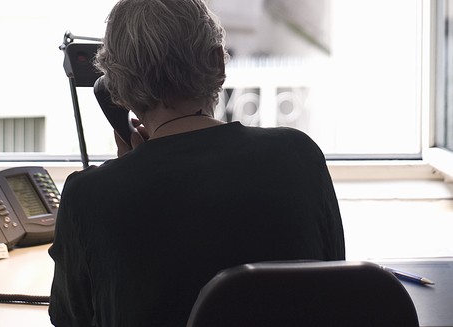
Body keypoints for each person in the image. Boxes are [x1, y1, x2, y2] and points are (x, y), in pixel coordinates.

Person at [48, 0, 345, 326]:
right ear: (218, 62)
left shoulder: (89, 196)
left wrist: (124, 174)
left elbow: (70, 320)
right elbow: (332, 281)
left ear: (115, 88)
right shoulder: (299, 156)